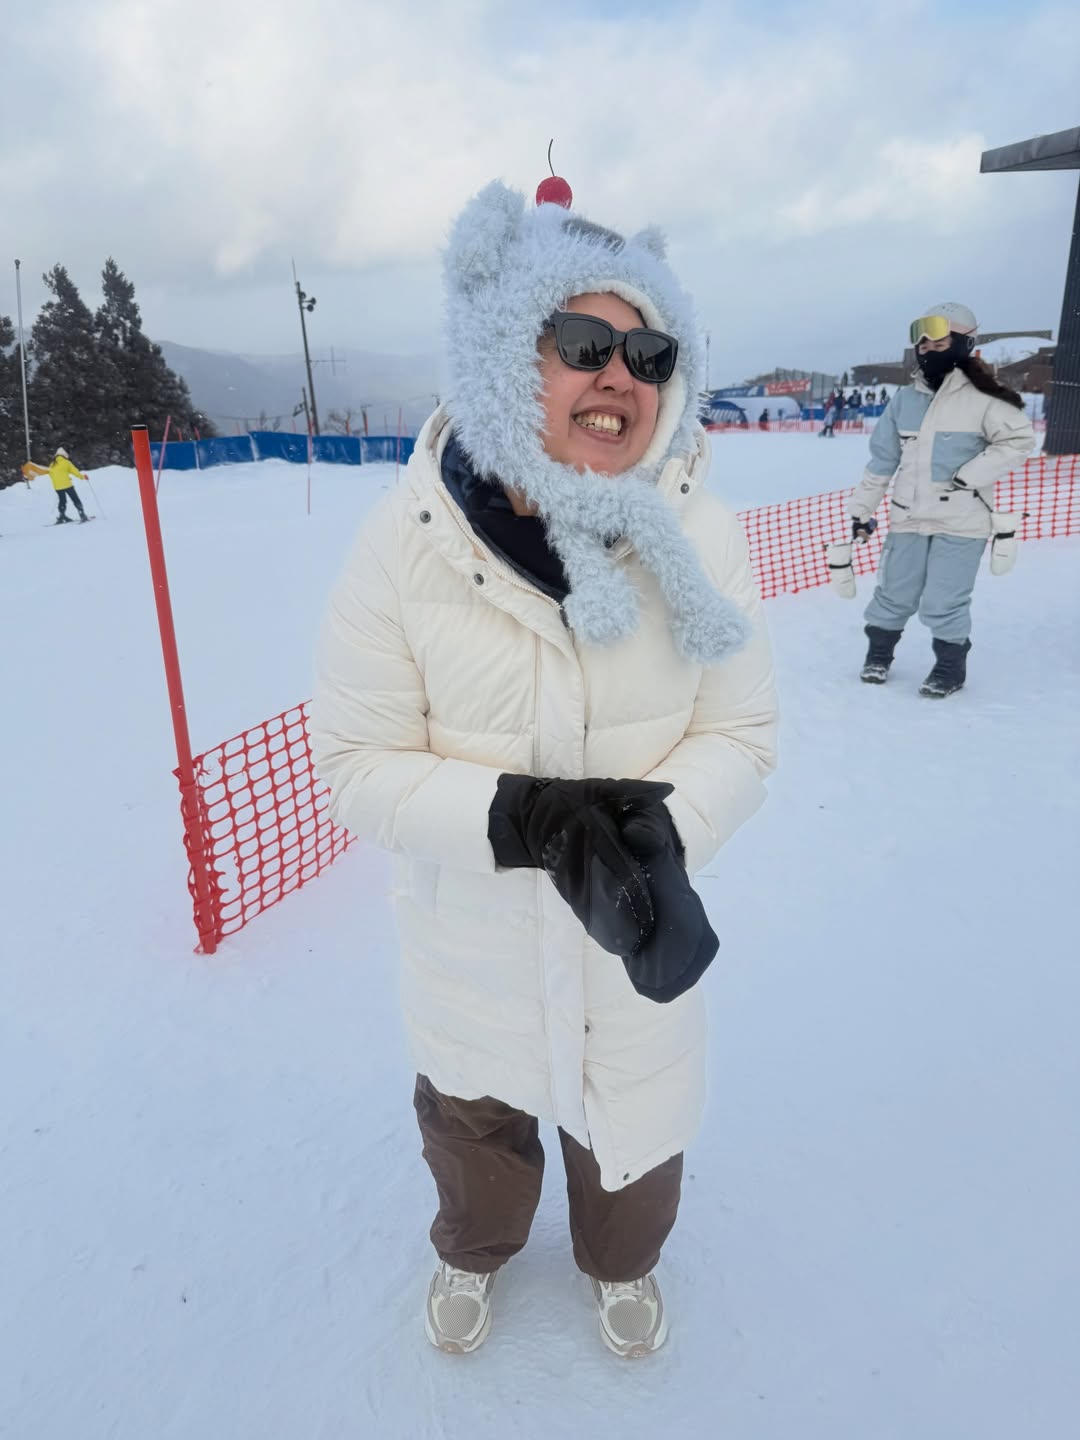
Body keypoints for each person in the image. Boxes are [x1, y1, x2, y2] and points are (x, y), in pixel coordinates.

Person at [311, 180, 777, 1358]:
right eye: (582, 342)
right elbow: (358, 760)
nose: (621, 374)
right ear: (502, 355)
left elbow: (743, 732)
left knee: (636, 1137)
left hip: (634, 935)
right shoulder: (409, 543)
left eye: (651, 350)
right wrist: (517, 820)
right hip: (470, 946)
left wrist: (660, 835)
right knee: (474, 1132)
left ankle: (620, 1266)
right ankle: (475, 1251)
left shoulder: (701, 537)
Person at [850, 303, 1035, 696]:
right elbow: (882, 460)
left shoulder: (985, 397)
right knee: (893, 593)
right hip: (909, 516)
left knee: (943, 601)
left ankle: (950, 669)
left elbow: (1018, 441)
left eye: (939, 339)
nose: (927, 347)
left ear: (964, 342)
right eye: (922, 340)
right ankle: (879, 656)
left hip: (962, 520)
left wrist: (970, 476)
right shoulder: (904, 400)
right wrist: (861, 511)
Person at [41, 447, 90, 523]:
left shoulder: (52, 464)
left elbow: (51, 474)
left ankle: (62, 516)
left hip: (57, 486)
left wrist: (59, 480)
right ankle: (82, 514)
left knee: (62, 501)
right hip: (67, 485)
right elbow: (75, 472)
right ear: (64, 455)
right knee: (75, 499)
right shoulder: (66, 462)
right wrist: (83, 477)